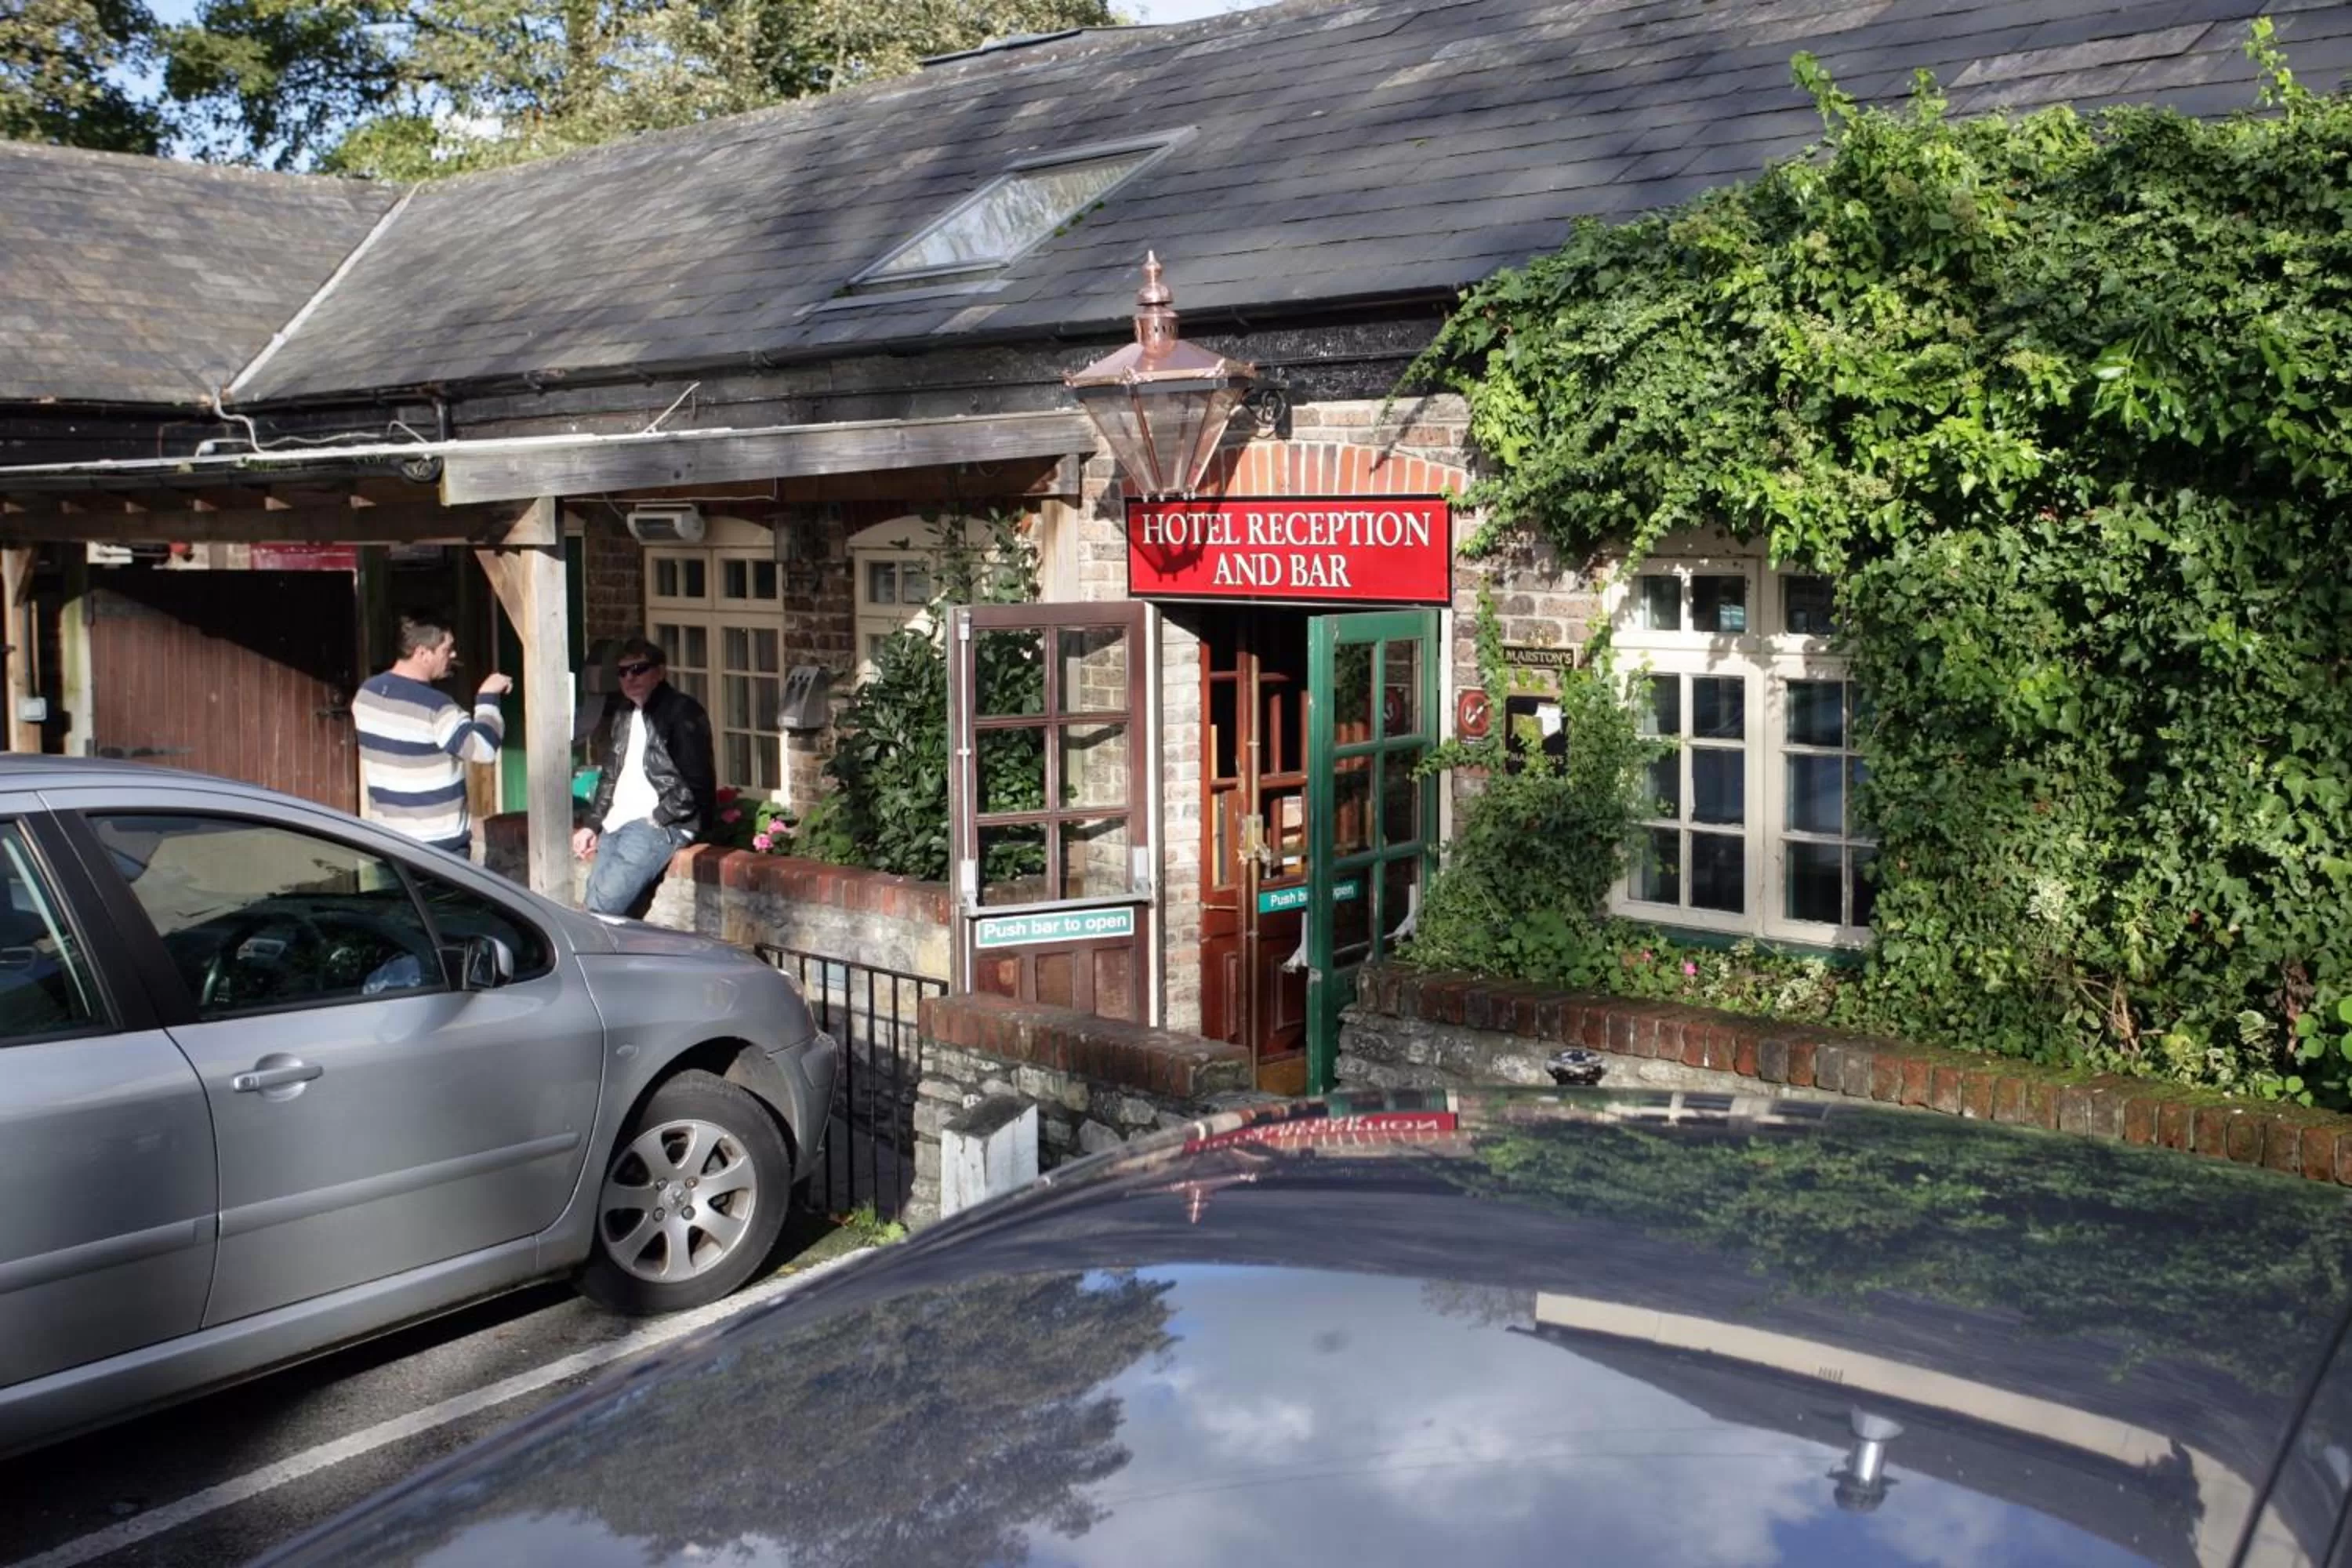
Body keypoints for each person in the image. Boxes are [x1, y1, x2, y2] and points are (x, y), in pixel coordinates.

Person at [573, 637, 716, 917]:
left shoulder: (682, 712)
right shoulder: (625, 712)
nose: (630, 678)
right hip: (617, 822)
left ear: (660, 672)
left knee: (601, 908)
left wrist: (659, 817)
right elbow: (611, 774)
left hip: (659, 824)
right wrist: (592, 825)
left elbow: (696, 781)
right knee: (603, 910)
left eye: (638, 669)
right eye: (623, 672)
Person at [352, 614, 511, 857]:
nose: (453, 655)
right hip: (439, 847)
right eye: (447, 649)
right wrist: (488, 698)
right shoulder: (437, 708)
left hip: (387, 840)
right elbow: (483, 749)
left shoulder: (366, 695)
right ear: (423, 653)